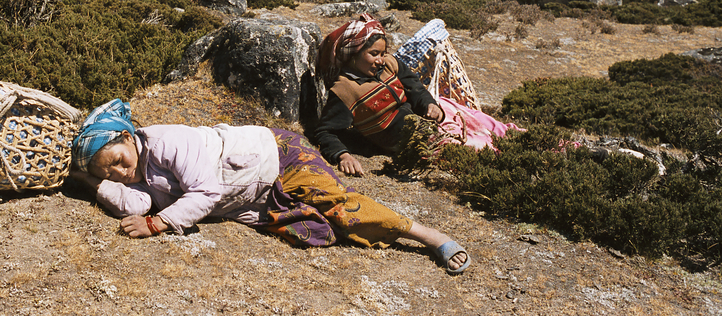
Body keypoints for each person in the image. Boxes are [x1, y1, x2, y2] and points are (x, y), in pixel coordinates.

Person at [68, 99, 470, 274]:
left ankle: (428, 237)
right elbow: (129, 204)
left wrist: (158, 224)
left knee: (339, 205)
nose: (120, 172)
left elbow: (204, 193)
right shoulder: (133, 174)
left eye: (118, 160)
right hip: (255, 193)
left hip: (279, 155)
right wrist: (88, 179)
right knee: (319, 232)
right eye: (110, 172)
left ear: (126, 136)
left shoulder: (167, 141)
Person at [315, 13, 522, 177]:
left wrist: (429, 105)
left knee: (481, 121)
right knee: (479, 147)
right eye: (373, 54)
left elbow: (414, 87)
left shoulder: (389, 64)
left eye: (382, 53)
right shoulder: (345, 91)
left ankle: (523, 139)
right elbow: (326, 131)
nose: (380, 60)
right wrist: (343, 156)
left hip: (431, 116)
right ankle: (519, 158)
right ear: (353, 55)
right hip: (416, 139)